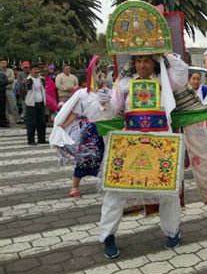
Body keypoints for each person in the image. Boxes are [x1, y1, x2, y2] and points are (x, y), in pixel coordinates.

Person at [96, 53, 188, 259]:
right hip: (131, 142)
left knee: (168, 191)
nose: (142, 65)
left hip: (161, 142)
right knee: (115, 191)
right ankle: (107, 236)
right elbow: (112, 111)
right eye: (138, 61)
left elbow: (182, 74)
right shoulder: (125, 83)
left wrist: (165, 52)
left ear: (154, 62)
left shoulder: (165, 79)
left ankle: (172, 231)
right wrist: (104, 102)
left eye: (147, 61)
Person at [50, 72, 108, 198]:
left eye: (103, 77)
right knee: (83, 158)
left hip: (104, 130)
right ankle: (74, 187)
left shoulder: (107, 93)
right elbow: (75, 113)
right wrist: (64, 124)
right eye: (99, 77)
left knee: (105, 158)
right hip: (89, 131)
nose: (102, 79)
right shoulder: (83, 94)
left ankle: (106, 184)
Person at [23, 64, 47, 145]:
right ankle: (31, 140)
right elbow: (22, 93)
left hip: (41, 102)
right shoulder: (27, 80)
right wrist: (27, 100)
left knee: (42, 122)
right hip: (31, 104)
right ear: (31, 70)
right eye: (34, 69)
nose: (36, 71)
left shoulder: (42, 79)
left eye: (37, 69)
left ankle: (41, 139)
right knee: (31, 123)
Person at [1, 59, 20, 124]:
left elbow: (12, 79)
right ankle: (6, 119)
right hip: (2, 90)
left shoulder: (10, 70)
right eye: (3, 63)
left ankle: (17, 119)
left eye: (5, 63)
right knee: (4, 106)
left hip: (9, 90)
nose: (4, 64)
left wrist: (4, 80)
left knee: (13, 104)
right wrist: (6, 80)